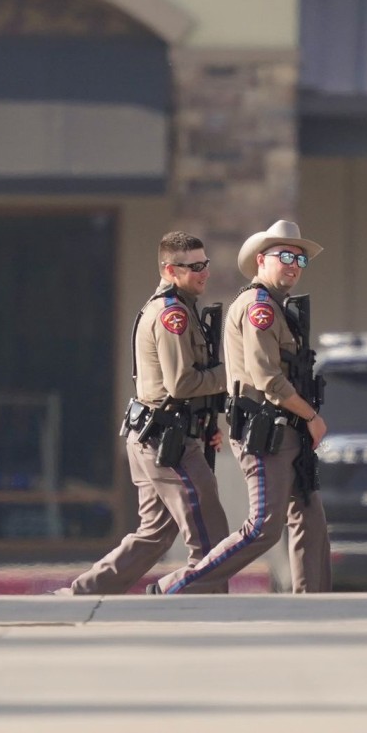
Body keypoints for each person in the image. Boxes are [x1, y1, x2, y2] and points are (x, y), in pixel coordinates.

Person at [151, 220, 331, 595]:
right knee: (263, 528)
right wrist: (312, 417)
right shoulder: (258, 307)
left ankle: (313, 602)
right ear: (261, 260)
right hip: (265, 431)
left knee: (310, 518)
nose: (294, 264)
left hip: (286, 428)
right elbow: (269, 380)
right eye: (285, 256)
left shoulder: (279, 308)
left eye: (300, 259)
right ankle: (176, 585)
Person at [57, 231, 230, 595]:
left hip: (158, 436)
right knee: (211, 539)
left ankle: (82, 592)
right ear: (170, 270)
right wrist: (234, 374)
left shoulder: (179, 308)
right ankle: (179, 594)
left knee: (154, 533)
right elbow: (182, 384)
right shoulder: (172, 315)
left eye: (205, 264)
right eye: (194, 266)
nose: (204, 273)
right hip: (169, 442)